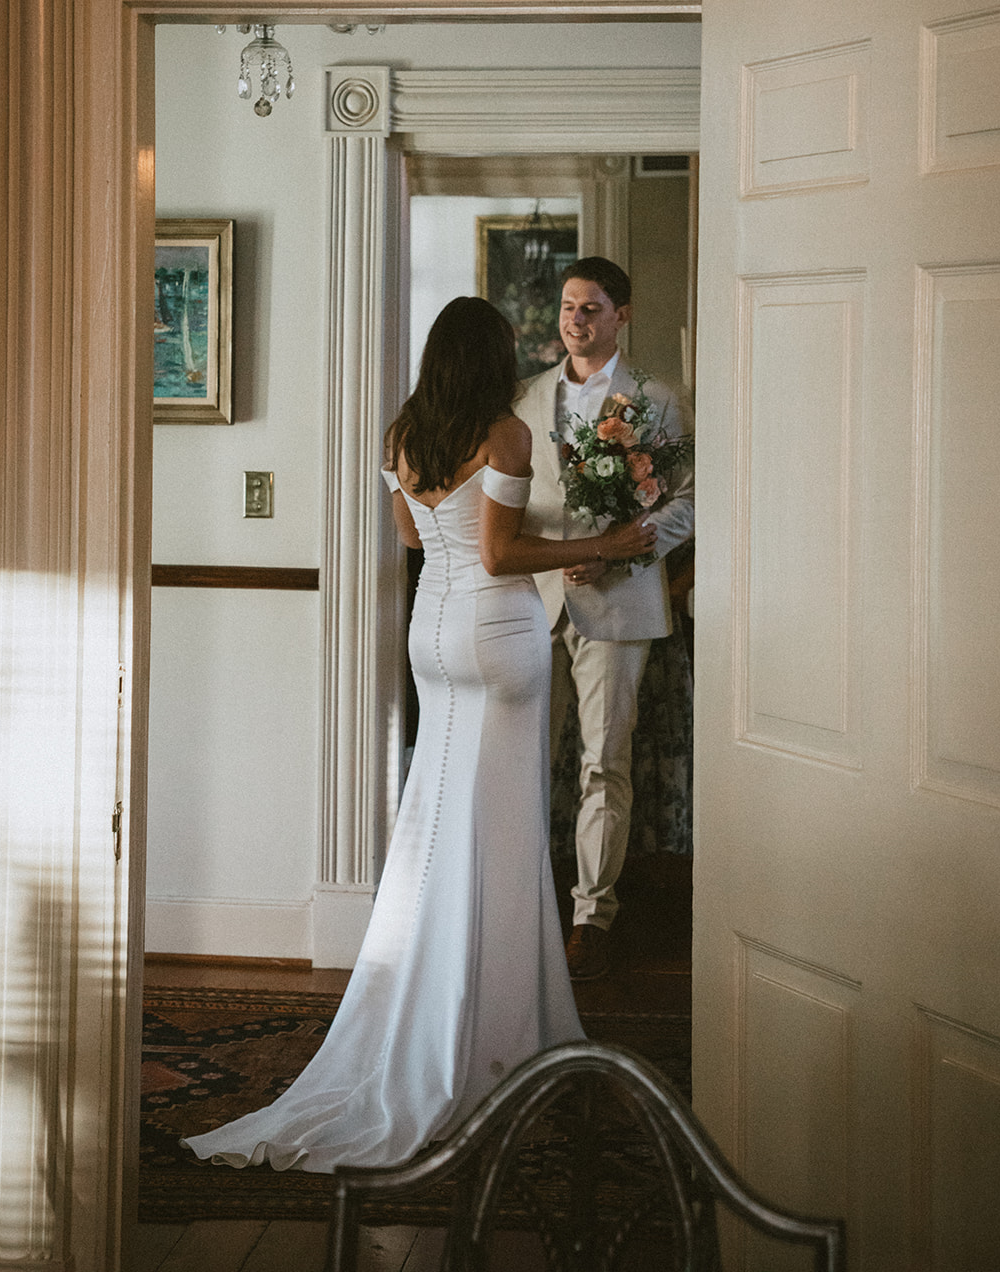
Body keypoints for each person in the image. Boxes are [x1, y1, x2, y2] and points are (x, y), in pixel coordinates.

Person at [181, 296, 650, 1174]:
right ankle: (491, 1023)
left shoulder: (404, 434)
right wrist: (599, 542)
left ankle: (436, 992)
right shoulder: (505, 435)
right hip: (498, 634)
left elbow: (412, 535)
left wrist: (496, 540)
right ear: (490, 356)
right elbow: (504, 555)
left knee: (437, 815)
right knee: (497, 829)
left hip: (431, 633)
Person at [515, 258, 695, 982]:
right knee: (522, 761)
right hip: (529, 597)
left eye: (590, 308)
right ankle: (522, 906)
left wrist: (617, 556)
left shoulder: (656, 400)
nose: (575, 321)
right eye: (567, 307)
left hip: (617, 601)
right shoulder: (523, 397)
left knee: (602, 763)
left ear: (621, 314)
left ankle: (593, 914)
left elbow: (685, 501)